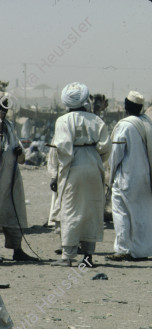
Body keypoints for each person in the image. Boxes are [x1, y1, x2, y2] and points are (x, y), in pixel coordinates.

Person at [49, 82, 111, 267]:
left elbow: (63, 149)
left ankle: (68, 256)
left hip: (73, 167)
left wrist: (58, 173)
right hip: (93, 164)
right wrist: (94, 157)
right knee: (91, 210)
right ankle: (88, 257)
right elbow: (105, 148)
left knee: (70, 209)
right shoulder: (97, 120)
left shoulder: (63, 121)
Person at [0, 92, 36, 262]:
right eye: (2, 106)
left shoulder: (10, 125)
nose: (5, 110)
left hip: (11, 176)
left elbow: (16, 145)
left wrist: (19, 152)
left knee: (14, 210)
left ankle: (17, 249)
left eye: (7, 106)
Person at [106, 91, 152, 261]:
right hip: (146, 178)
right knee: (142, 214)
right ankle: (140, 251)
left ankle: (123, 249)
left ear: (126, 106)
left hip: (127, 178)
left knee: (121, 212)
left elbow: (115, 154)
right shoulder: (147, 123)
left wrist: (110, 177)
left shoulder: (125, 125)